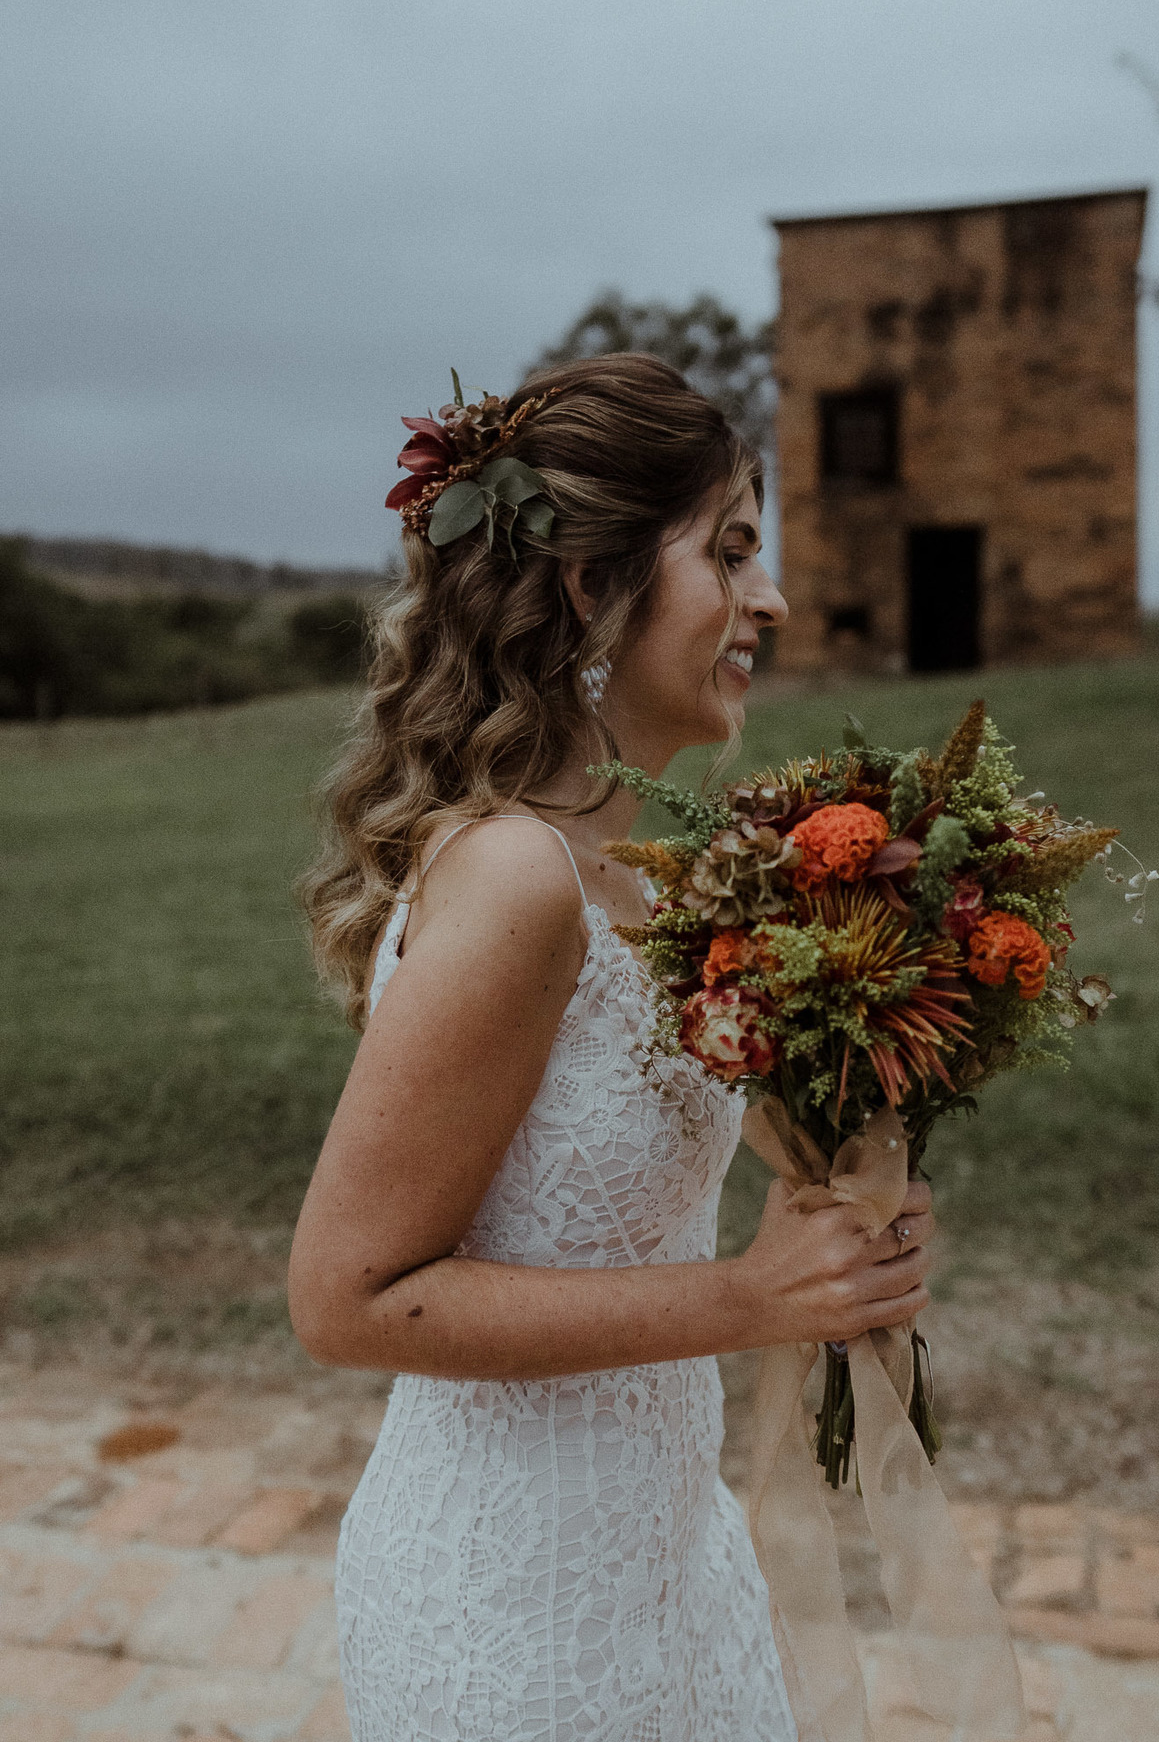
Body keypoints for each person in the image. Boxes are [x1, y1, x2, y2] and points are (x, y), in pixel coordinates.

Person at [290, 354, 933, 1742]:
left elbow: (642, 1154)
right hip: (514, 1617)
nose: (771, 598)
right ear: (593, 583)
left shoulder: (653, 878)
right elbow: (346, 1299)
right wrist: (754, 1296)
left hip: (667, 1558)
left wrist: (849, 1187)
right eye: (732, 552)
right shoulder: (517, 877)